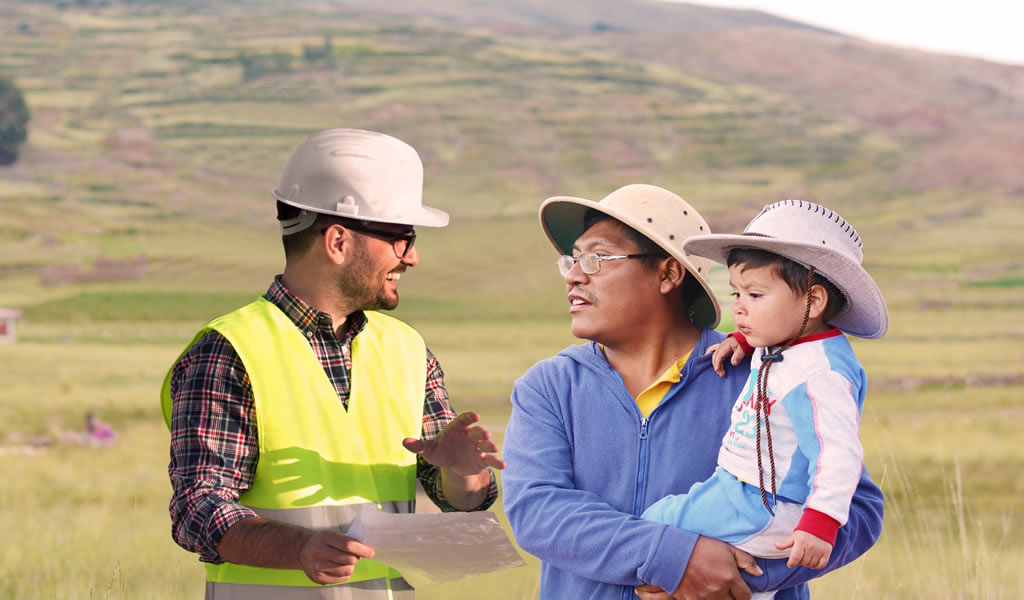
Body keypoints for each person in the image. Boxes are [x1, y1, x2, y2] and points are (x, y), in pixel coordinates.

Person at [161, 128, 505, 600]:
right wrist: (299, 549)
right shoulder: (230, 350)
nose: (414, 258)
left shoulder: (408, 349)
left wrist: (464, 474)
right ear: (339, 242)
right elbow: (198, 507)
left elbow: (457, 496)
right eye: (402, 239)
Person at [501, 184, 884, 600]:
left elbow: (857, 510)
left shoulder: (760, 375)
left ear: (668, 273)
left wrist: (742, 578)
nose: (575, 274)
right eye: (572, 260)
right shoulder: (550, 387)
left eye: (597, 258)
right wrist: (674, 560)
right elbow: (538, 512)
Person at [640, 200, 888, 599]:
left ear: (815, 301)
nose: (739, 306)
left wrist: (820, 523)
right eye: (737, 292)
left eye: (755, 295)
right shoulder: (788, 343)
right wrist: (742, 339)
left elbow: (838, 452)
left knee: (656, 522)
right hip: (745, 492)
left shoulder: (820, 373)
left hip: (765, 502)